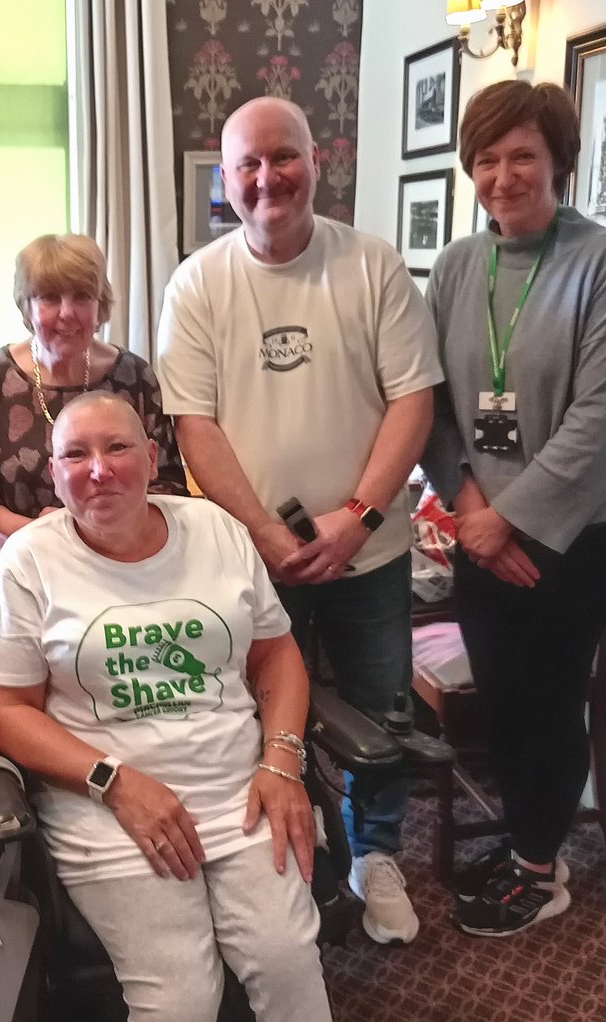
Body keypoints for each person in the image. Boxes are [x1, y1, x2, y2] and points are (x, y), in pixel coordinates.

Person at [0, 393, 353, 1022]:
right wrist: (115, 782)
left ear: (154, 456)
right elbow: (7, 713)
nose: (98, 470)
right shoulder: (29, 563)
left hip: (239, 787)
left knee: (288, 963)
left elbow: (277, 657)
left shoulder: (214, 531)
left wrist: (282, 760)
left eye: (116, 448)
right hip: (105, 804)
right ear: (53, 474)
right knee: (179, 998)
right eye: (75, 456)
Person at [157, 97, 442, 945]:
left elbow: (412, 400)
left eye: (283, 157)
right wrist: (266, 534)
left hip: (372, 550)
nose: (265, 177)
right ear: (226, 179)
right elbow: (193, 426)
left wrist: (356, 517)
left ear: (316, 163)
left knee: (381, 710)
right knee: (252, 715)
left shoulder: (373, 266)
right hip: (248, 560)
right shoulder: (197, 282)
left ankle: (375, 855)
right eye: (246, 164)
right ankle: (298, 847)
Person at [421, 80, 606, 937]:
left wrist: (508, 522)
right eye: (484, 159)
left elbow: (605, 415)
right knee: (501, 700)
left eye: (521, 157)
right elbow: (429, 401)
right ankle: (526, 842)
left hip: (576, 531)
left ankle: (541, 872)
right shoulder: (456, 265)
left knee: (547, 699)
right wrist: (471, 510)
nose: (501, 175)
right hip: (479, 524)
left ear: (559, 163)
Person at [0, 232, 188, 537]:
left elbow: (166, 485)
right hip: (19, 542)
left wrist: (86, 532)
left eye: (81, 296)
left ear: (100, 304)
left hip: (120, 543)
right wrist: (52, 534)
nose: (67, 313)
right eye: (50, 298)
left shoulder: (134, 377)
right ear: (27, 307)